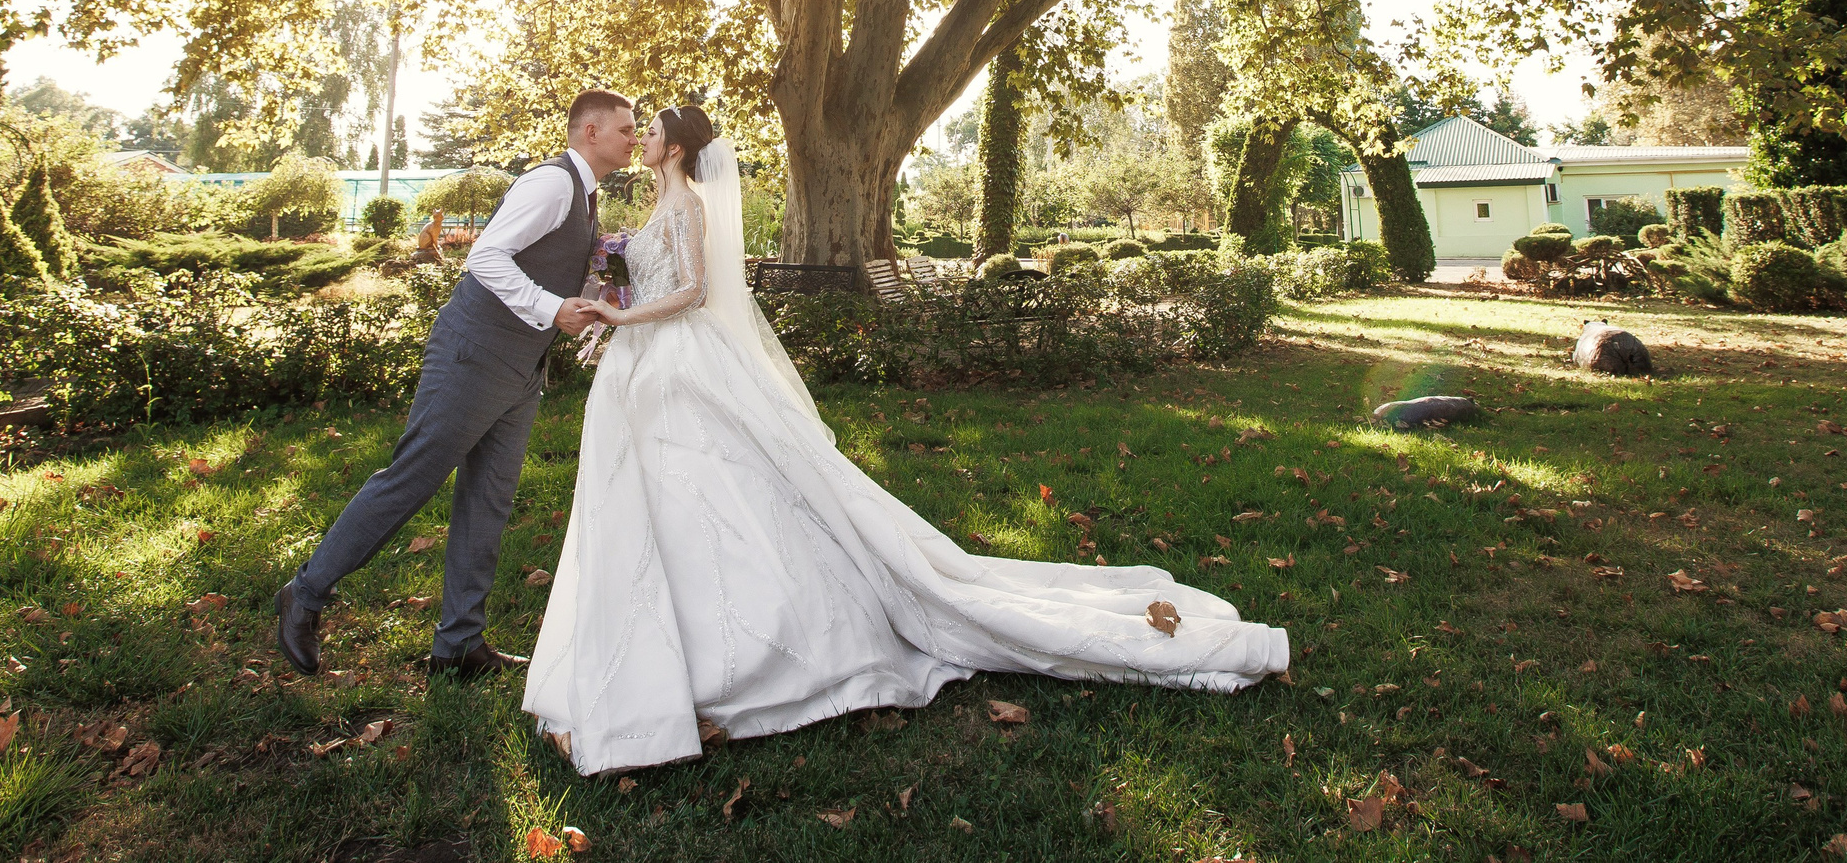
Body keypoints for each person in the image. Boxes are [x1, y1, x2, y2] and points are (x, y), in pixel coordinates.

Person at [522, 104, 1285, 773]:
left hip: (682, 363)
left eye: (649, 130)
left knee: (715, 492)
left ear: (678, 149)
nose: (641, 137)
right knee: (660, 502)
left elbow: (692, 291)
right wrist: (606, 295)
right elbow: (653, 279)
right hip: (648, 368)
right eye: (636, 129)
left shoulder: (687, 206)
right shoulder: (653, 210)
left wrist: (626, 315)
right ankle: (658, 645)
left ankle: (746, 645)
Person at [275, 90, 635, 679]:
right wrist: (550, 307)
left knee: (488, 500)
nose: (631, 138)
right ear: (590, 132)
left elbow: (541, 267)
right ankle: (306, 595)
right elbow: (486, 258)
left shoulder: (586, 197)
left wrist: (588, 304)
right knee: (411, 479)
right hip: (473, 356)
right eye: (624, 129)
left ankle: (459, 645)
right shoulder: (549, 184)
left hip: (521, 371)